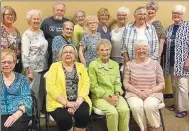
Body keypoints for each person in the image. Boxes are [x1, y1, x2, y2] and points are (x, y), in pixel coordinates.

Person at [46, 44, 92, 131]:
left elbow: (86, 84)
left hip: (79, 100)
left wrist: (77, 103)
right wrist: (67, 103)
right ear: (61, 55)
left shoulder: (81, 67)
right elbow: (50, 86)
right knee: (64, 118)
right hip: (58, 102)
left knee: (83, 114)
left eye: (71, 52)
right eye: (65, 52)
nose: (68, 54)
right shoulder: (54, 66)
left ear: (75, 55)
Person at [88, 39, 130, 131]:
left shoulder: (115, 64)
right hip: (100, 97)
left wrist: (117, 95)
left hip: (115, 95)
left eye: (107, 49)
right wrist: (107, 98)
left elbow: (117, 82)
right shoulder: (93, 65)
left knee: (125, 110)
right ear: (98, 51)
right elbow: (93, 86)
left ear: (110, 51)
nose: (105, 52)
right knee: (113, 112)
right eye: (102, 50)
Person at [123, 41, 165, 131]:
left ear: (148, 50)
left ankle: (155, 128)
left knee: (149, 106)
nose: (141, 51)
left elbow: (162, 84)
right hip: (134, 93)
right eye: (138, 49)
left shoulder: (155, 63)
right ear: (134, 51)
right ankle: (144, 128)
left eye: (144, 49)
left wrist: (151, 91)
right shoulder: (129, 65)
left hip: (153, 93)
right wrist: (136, 91)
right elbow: (126, 83)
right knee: (136, 107)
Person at [22, 10, 48, 115]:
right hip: (33, 69)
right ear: (29, 20)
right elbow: (25, 54)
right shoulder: (26, 35)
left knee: (41, 92)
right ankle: (31, 116)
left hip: (44, 67)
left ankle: (38, 112)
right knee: (33, 93)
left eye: (38, 19)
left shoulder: (41, 32)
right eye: (34, 19)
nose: (36, 21)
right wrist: (30, 71)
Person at [164, 5, 189, 118]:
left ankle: (183, 109)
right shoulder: (169, 28)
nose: (176, 15)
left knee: (182, 85)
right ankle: (176, 104)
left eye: (179, 13)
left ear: (182, 15)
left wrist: (188, 60)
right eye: (174, 13)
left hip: (183, 61)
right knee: (174, 84)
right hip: (172, 61)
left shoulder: (187, 26)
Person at [1, 49, 32, 131]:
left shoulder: (22, 79)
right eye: (3, 62)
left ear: (14, 64)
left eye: (9, 62)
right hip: (1, 113)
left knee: (16, 128)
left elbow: (27, 99)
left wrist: (16, 114)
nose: (6, 65)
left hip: (20, 112)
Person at [40, 2, 69, 68]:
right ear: (53, 11)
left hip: (64, 55)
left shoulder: (67, 22)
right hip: (49, 55)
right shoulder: (46, 22)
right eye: (57, 10)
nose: (59, 12)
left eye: (62, 10)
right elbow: (41, 37)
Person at [1, 6, 22, 73]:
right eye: (8, 14)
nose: (11, 16)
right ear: (2, 16)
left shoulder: (16, 30)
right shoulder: (1, 30)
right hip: (5, 64)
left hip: (16, 63)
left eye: (12, 15)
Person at [146, 0, 166, 65]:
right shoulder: (143, 23)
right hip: (143, 53)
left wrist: (158, 55)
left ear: (155, 11)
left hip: (154, 55)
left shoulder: (157, 23)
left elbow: (162, 40)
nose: (150, 11)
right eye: (148, 9)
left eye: (153, 9)